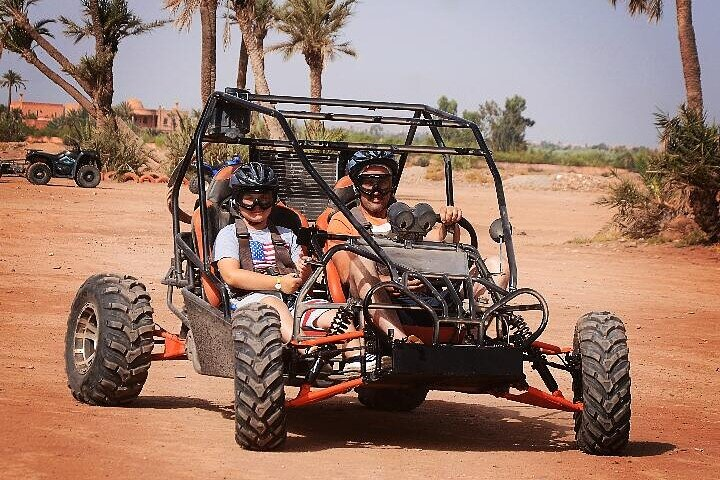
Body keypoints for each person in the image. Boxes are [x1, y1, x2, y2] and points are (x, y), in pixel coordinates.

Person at [326, 150, 509, 341]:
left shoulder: (407, 217)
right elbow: (347, 274)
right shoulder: (344, 221)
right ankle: (401, 342)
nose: (376, 190)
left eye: (383, 181)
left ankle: (472, 336)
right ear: (357, 186)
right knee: (360, 257)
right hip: (380, 302)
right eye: (369, 182)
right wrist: (389, 281)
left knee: (497, 266)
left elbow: (438, 250)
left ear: (392, 184)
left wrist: (447, 223)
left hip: (429, 297)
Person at [213, 162, 366, 371]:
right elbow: (231, 276)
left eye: (264, 198)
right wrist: (278, 284)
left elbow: (301, 277)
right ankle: (305, 352)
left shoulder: (286, 234)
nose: (257, 205)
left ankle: (357, 361)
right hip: (249, 301)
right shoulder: (229, 234)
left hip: (293, 301)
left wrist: (303, 270)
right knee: (274, 304)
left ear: (273, 200)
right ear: (237, 201)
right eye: (249, 198)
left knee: (337, 315)